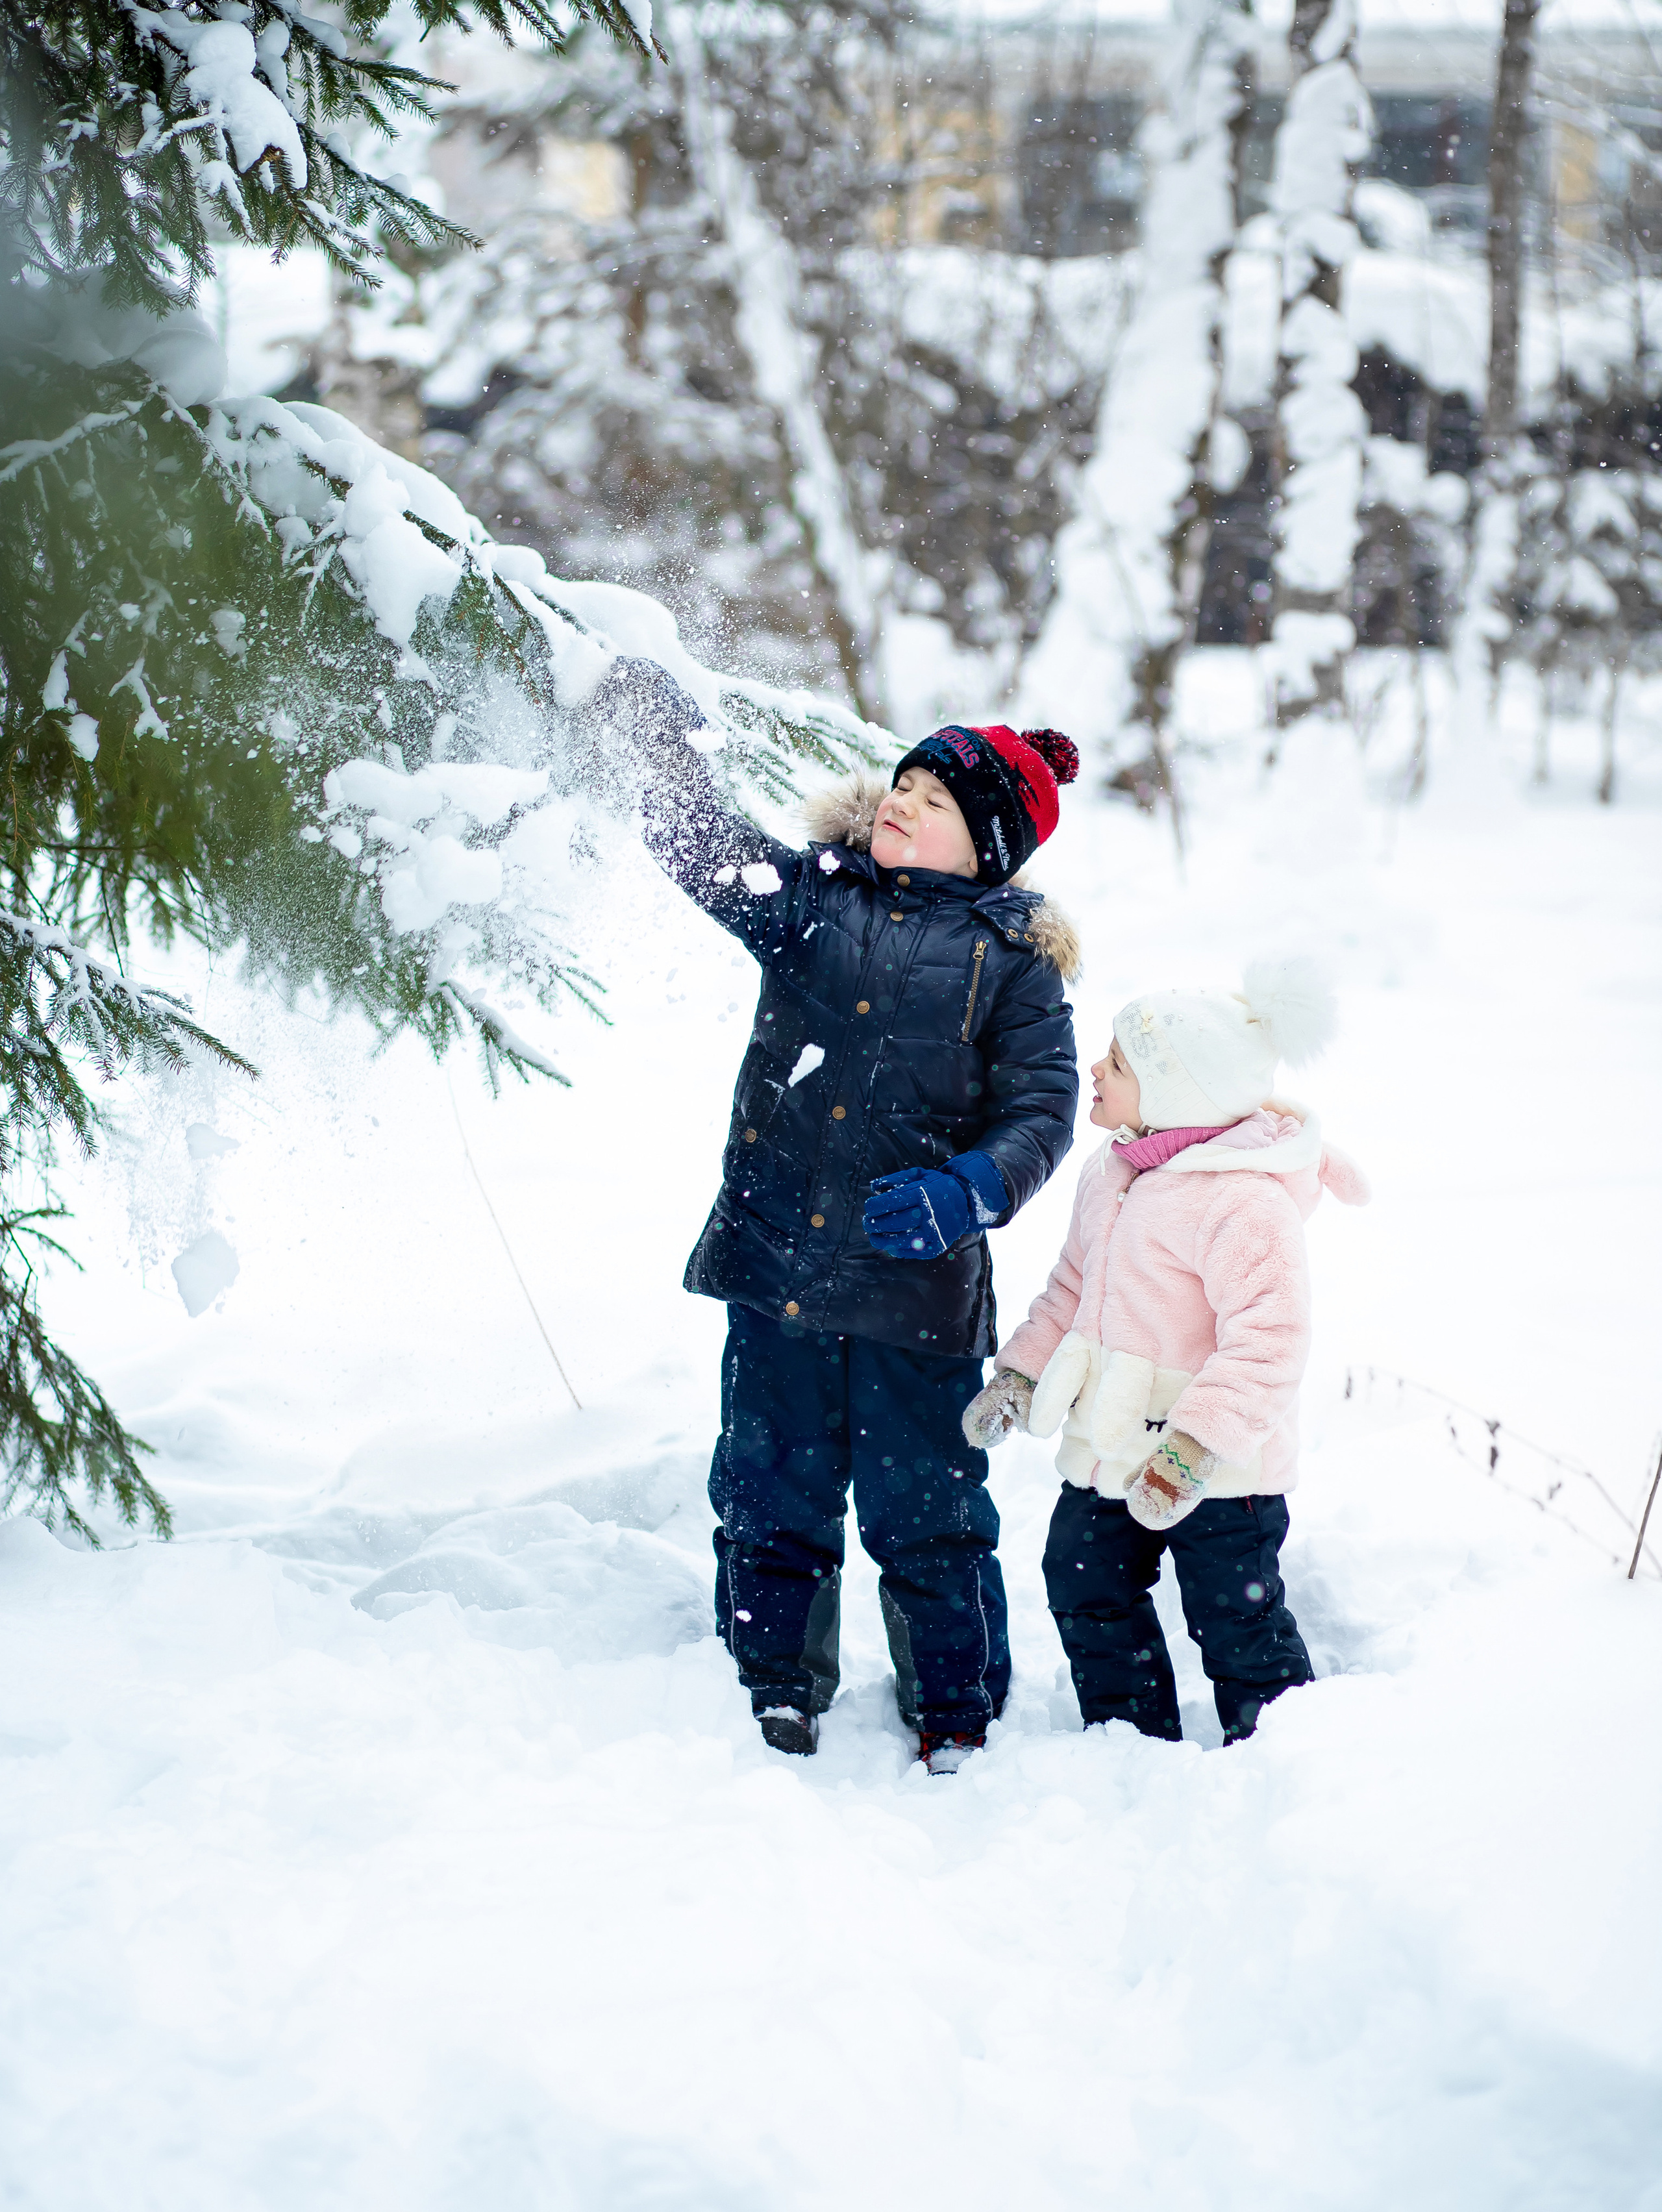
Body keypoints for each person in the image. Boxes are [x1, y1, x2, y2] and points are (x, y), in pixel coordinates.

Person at [594, 659, 1081, 1768]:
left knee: (930, 1510)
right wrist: (657, 752)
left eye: (936, 800)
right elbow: (711, 855)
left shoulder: (1015, 965)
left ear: (988, 847)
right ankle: (774, 1677)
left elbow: (1042, 1112)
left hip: (918, 1290)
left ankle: (954, 1704)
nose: (903, 802)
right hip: (782, 1263)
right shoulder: (817, 897)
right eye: (903, 782)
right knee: (772, 1484)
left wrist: (967, 1190)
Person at [963, 961, 1369, 1745]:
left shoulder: (1242, 1201)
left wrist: (1193, 1448)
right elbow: (1071, 1286)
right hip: (1109, 1441)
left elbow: (1269, 1339)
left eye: (1117, 1063)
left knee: (1234, 1614)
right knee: (1082, 1578)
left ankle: (1281, 1750)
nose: (1094, 1068)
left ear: (1175, 1091)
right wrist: (1020, 1372)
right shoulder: (1111, 1171)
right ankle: (1129, 1738)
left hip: (1218, 1466)